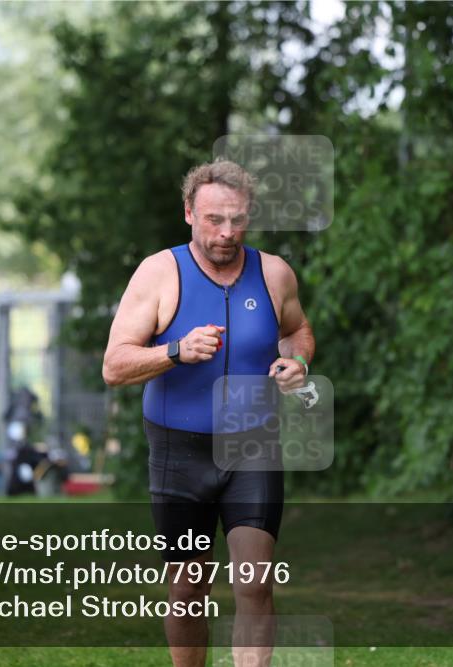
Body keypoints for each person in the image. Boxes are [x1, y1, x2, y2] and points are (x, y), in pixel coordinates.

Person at [102, 158, 315, 667]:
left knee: (255, 584)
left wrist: (297, 361)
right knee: (187, 589)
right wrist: (174, 351)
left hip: (253, 445)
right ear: (189, 213)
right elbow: (114, 365)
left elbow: (298, 330)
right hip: (180, 450)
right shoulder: (159, 273)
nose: (226, 232)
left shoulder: (274, 273)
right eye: (214, 219)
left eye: (237, 219)